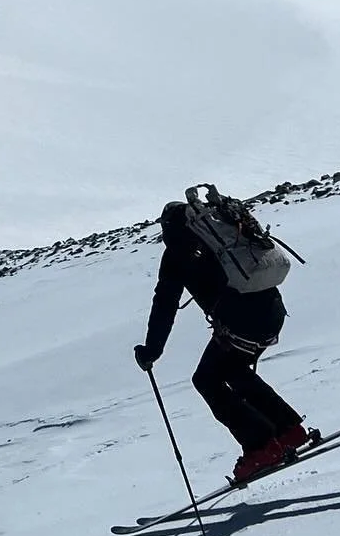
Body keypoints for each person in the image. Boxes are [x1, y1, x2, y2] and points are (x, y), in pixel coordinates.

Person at [133, 198, 311, 483]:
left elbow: (165, 303)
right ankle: (288, 430)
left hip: (241, 323)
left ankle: (261, 447)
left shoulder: (177, 251)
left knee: (206, 379)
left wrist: (152, 350)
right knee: (234, 371)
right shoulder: (227, 234)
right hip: (273, 312)